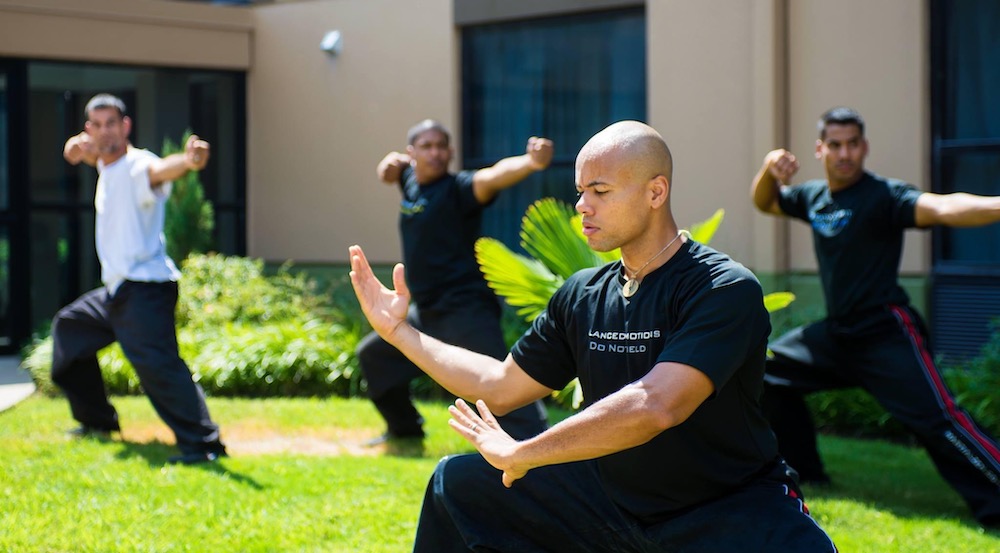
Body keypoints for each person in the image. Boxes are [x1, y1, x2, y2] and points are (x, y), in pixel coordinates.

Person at [350, 120, 837, 551]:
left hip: (725, 508)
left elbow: (656, 406)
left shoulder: (722, 287)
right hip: (611, 501)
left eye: (600, 191)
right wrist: (398, 332)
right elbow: (500, 384)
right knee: (456, 483)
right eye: (581, 190)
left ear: (655, 192)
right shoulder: (582, 294)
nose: (582, 205)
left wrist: (525, 452)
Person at [752, 106, 1000, 526]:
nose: (844, 153)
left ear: (864, 147)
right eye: (835, 145)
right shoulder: (813, 197)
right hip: (837, 335)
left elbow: (942, 207)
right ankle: (807, 471)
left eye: (852, 144)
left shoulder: (884, 196)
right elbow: (767, 203)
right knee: (765, 371)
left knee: (941, 422)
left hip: (886, 333)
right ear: (821, 149)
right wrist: (768, 170)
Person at [54, 93, 226, 465]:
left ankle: (204, 444)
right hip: (117, 291)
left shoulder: (137, 166)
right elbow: (85, 154)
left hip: (145, 290)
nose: (104, 132)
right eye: (96, 125)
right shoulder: (107, 165)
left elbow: (163, 169)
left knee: (159, 366)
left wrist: (191, 162)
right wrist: (75, 151)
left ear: (126, 126)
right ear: (89, 130)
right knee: (69, 329)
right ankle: (97, 421)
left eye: (111, 124)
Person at [357, 119, 551, 444]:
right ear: (412, 153)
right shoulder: (410, 181)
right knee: (374, 357)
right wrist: (386, 168)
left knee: (503, 386)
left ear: (451, 152)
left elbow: (493, 176)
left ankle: (538, 445)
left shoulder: (460, 189)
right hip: (427, 312)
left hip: (466, 312)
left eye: (441, 146)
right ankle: (405, 430)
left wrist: (531, 162)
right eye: (427, 146)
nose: (435, 153)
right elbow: (390, 172)